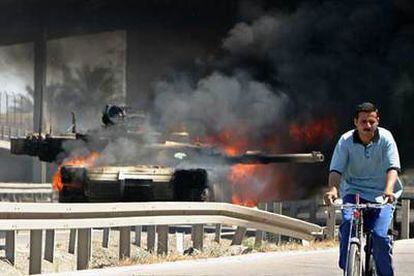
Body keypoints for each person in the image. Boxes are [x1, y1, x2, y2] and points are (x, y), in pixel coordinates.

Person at [324, 102, 402, 276]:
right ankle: (348, 267)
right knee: (347, 227)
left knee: (380, 237)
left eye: (371, 121)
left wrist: (389, 189)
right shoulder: (345, 141)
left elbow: (393, 168)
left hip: (383, 195)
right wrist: (333, 190)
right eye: (363, 121)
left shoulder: (386, 138)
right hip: (354, 193)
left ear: (377, 121)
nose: (367, 125)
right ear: (355, 122)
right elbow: (336, 170)